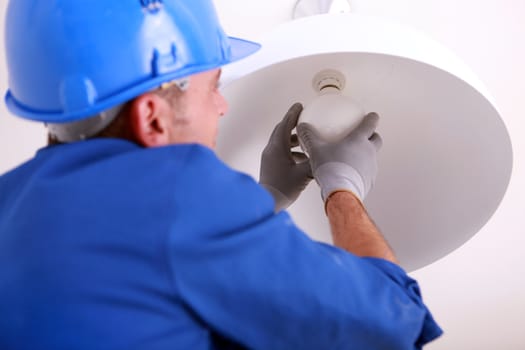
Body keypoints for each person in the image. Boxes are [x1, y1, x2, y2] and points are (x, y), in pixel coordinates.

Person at [0, 0, 442, 349]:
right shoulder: (180, 195)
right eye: (212, 87)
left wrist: (266, 198)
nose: (222, 105)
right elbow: (391, 326)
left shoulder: (9, 202)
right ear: (152, 118)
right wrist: (342, 188)